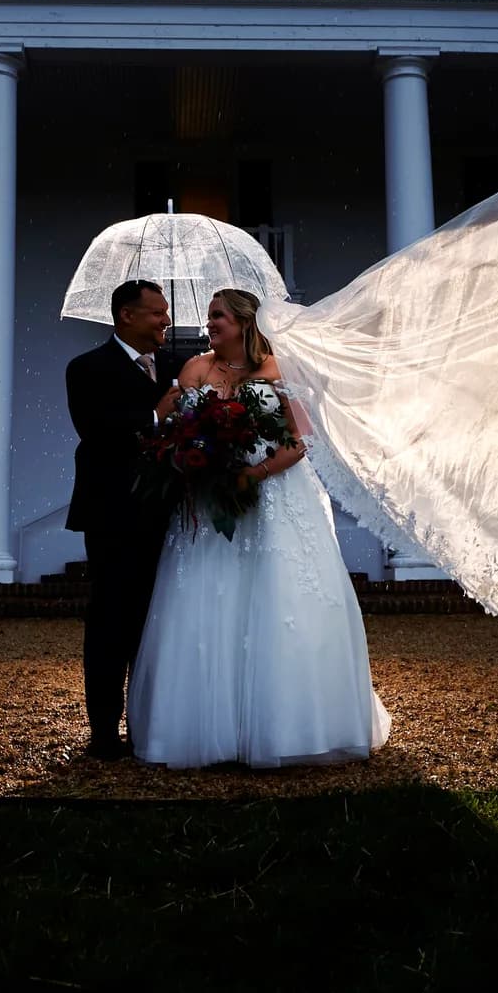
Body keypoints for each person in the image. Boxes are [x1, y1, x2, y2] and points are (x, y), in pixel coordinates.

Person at [126, 288, 392, 769]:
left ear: (246, 323)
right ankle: (209, 729)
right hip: (211, 505)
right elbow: (172, 430)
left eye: (219, 317)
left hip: (274, 498)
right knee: (209, 602)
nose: (210, 325)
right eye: (209, 317)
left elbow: (298, 442)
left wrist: (254, 474)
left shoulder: (278, 369)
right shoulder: (194, 371)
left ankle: (288, 727)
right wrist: (194, 462)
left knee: (279, 601)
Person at [63, 278, 174, 759]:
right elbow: (96, 430)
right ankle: (104, 732)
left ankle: (150, 726)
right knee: (112, 621)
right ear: (126, 315)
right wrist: (155, 417)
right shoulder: (86, 368)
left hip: (167, 516)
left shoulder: (176, 367)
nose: (166, 321)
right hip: (111, 515)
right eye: (156, 313)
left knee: (157, 622)